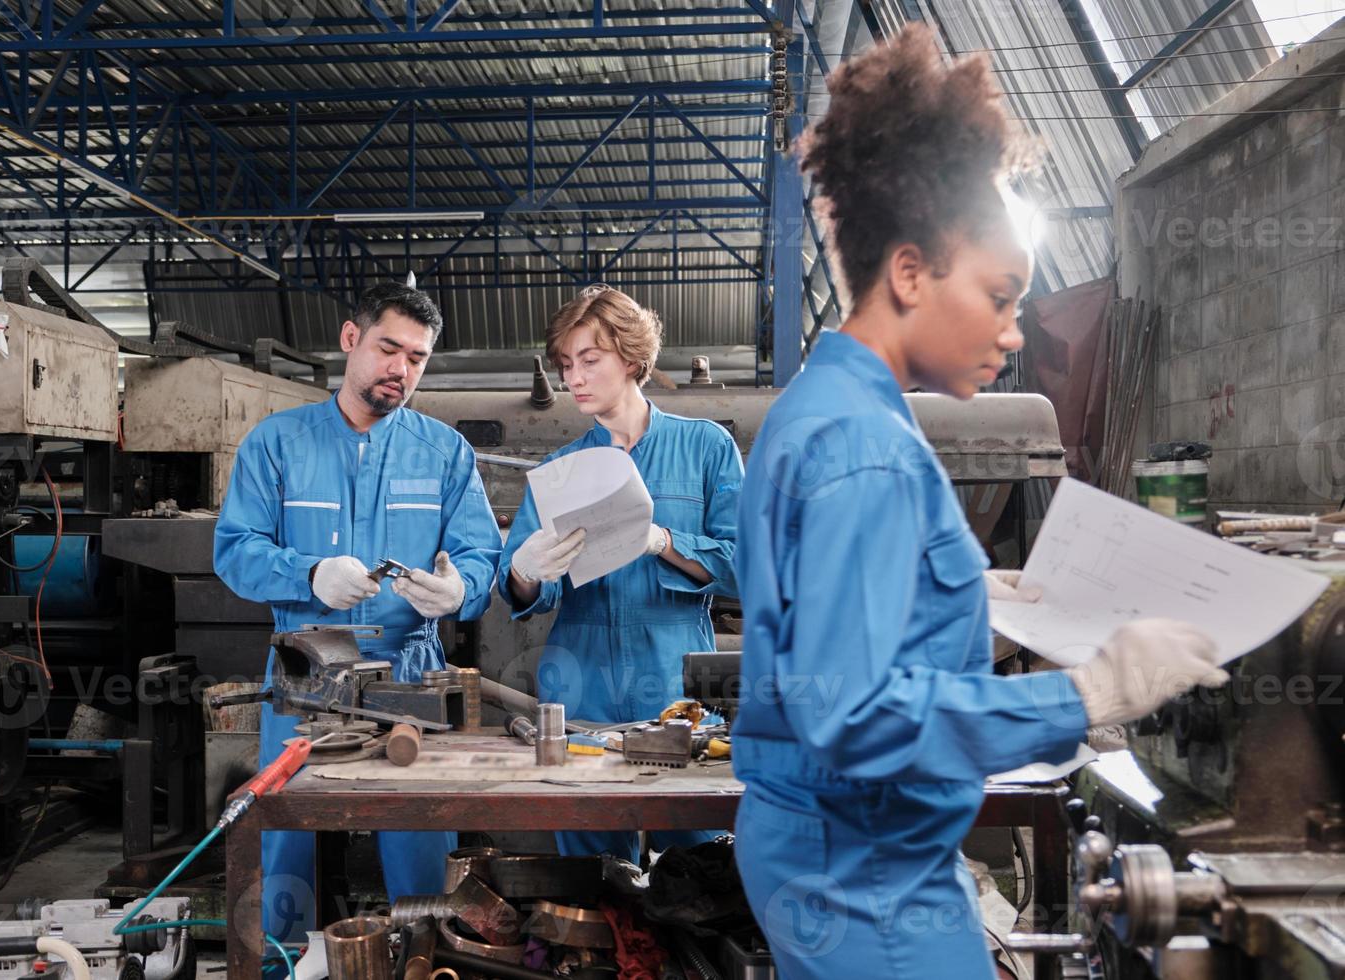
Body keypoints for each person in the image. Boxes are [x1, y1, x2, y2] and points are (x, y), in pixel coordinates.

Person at [731, 25, 1229, 979]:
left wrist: (962, 594)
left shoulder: (827, 407)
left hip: (837, 858)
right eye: (1001, 295)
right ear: (911, 272)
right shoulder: (865, 449)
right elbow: (862, 716)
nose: (1012, 330)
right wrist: (1085, 696)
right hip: (867, 880)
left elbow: (825, 633)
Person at [214, 282, 501, 942]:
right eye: (388, 348)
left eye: (419, 358)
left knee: (419, 843)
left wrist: (460, 592)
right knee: (283, 843)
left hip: (410, 674)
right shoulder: (277, 444)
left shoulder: (445, 454)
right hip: (303, 671)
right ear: (351, 340)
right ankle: (283, 960)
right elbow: (235, 551)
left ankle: (426, 958)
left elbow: (482, 555)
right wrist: (308, 572)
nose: (401, 369)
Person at [497, 285, 743, 862]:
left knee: (702, 862)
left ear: (631, 358)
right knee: (592, 868)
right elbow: (524, 592)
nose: (573, 379)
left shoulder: (706, 448)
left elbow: (747, 569)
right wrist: (526, 570)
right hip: (581, 686)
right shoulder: (558, 471)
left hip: (676, 688)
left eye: (589, 360)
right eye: (565, 366)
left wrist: (663, 541)